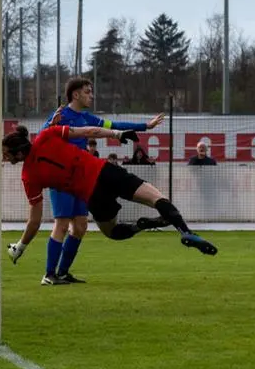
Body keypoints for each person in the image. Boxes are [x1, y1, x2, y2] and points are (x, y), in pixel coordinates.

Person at [3, 124, 217, 267]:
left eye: (6, 154)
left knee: (113, 232)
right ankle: (185, 231)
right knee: (156, 197)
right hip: (106, 171)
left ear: (20, 153)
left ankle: (139, 226)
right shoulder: (46, 135)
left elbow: (35, 221)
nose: (4, 158)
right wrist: (117, 133)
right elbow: (89, 131)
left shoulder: (28, 176)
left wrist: (20, 246)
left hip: (93, 194)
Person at [37, 77, 165, 286]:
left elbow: (114, 126)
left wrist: (145, 126)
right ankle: (48, 275)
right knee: (61, 224)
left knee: (79, 227)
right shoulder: (60, 116)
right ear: (76, 94)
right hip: (61, 178)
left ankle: (62, 273)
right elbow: (42, 137)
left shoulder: (87, 118)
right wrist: (49, 125)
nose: (91, 95)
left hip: (80, 180)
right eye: (87, 91)